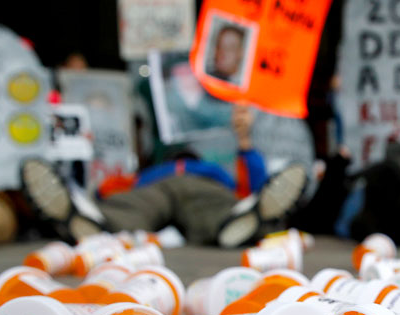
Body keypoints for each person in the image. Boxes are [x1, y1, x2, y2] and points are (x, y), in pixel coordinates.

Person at [22, 104, 308, 247]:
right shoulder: (152, 174)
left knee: (215, 205)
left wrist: (244, 140)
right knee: (136, 206)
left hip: (199, 189)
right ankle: (94, 222)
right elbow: (110, 189)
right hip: (161, 190)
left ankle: (239, 220)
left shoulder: (209, 171)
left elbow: (254, 186)